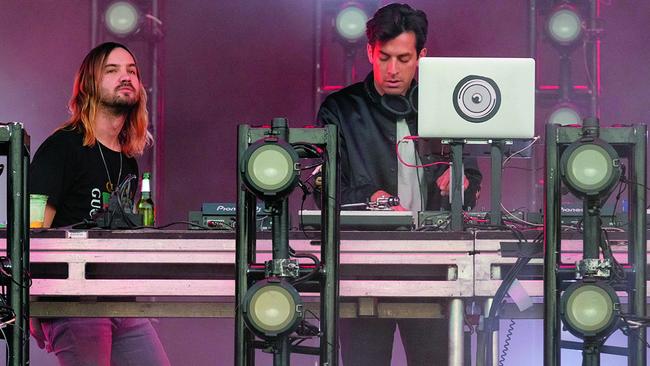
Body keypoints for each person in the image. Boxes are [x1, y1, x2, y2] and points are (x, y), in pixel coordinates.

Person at [317, 3, 481, 365]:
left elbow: (473, 177)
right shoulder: (339, 109)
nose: (393, 70)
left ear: (422, 55)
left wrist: (462, 180)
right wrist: (369, 197)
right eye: (384, 57)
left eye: (404, 59)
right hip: (363, 268)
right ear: (369, 52)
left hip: (436, 268)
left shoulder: (445, 105)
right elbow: (322, 184)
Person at [29, 42, 170, 366]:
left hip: (120, 299)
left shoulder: (128, 163)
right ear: (90, 84)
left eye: (132, 71)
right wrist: (33, 302)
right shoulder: (63, 147)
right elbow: (34, 233)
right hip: (75, 302)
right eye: (113, 70)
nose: (126, 77)